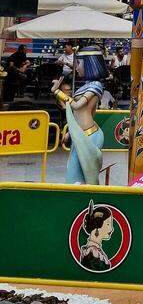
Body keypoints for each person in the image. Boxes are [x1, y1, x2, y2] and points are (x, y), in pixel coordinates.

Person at [52, 45, 106, 185]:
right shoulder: (88, 85)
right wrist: (71, 132)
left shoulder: (96, 86)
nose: (76, 67)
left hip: (88, 135)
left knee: (84, 176)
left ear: (89, 64)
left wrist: (57, 92)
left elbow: (76, 106)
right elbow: (84, 113)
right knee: (75, 173)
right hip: (81, 134)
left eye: (79, 63)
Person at [79, 201, 114, 272]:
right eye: (108, 224)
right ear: (97, 226)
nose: (111, 229)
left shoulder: (93, 251)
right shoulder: (92, 253)